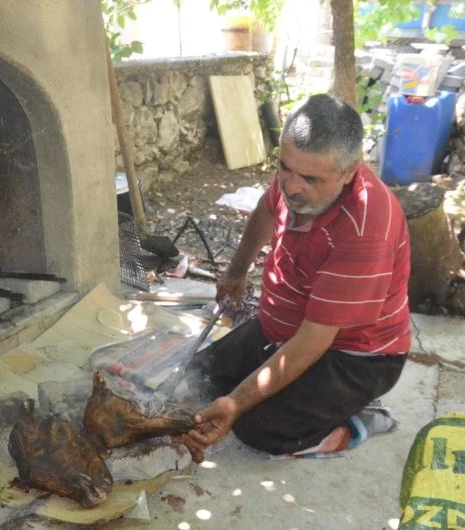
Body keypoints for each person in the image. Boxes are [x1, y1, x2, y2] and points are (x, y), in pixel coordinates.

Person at [176, 93, 411, 462]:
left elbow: (312, 342)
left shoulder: (366, 229)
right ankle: (311, 399)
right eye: (285, 168)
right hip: (283, 328)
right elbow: (267, 209)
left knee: (256, 429)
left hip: (355, 356)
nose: (292, 186)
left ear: (350, 171)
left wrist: (237, 403)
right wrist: (237, 271)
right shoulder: (296, 177)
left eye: (310, 178)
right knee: (198, 378)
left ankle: (361, 417)